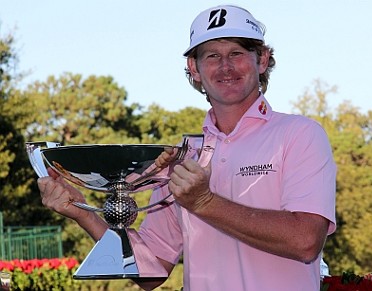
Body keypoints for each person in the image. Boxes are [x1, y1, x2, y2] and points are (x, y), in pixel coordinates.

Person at [38, 5, 336, 291]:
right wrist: (82, 212)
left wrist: (204, 202)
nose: (225, 66)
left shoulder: (299, 134)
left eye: (237, 53)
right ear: (194, 68)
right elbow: (151, 269)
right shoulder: (182, 155)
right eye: (211, 56)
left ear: (262, 59)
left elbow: (305, 240)